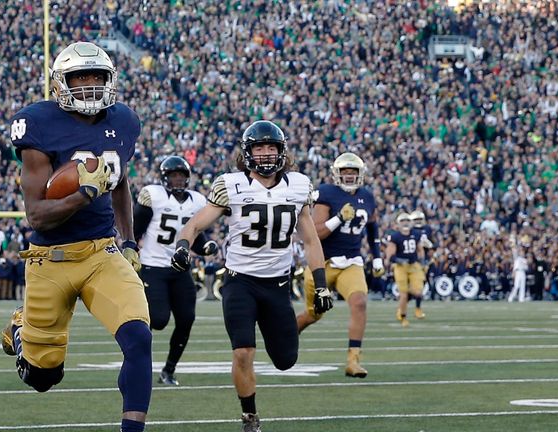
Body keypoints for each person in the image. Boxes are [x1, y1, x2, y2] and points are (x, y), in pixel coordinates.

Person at [3, 41, 152, 432]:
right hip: (48, 259)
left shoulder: (124, 120)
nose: (88, 85)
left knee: (138, 336)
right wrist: (83, 193)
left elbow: (119, 183)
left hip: (101, 252)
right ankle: (20, 328)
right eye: (79, 77)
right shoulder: (36, 123)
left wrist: (130, 240)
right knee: (43, 377)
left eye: (96, 77)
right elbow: (37, 214)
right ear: (60, 83)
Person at [169, 120, 332, 432]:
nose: (267, 153)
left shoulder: (298, 186)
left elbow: (311, 240)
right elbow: (194, 225)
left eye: (272, 147)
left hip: (277, 284)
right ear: (248, 153)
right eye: (260, 147)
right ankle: (250, 417)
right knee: (243, 352)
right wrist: (182, 248)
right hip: (240, 281)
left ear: (282, 151)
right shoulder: (231, 185)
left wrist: (321, 285)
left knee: (286, 359)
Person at [294, 152, 382, 379]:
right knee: (314, 315)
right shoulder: (326, 193)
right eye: (345, 171)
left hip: (351, 261)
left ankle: (353, 361)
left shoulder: (368, 197)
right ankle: (285, 338)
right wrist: (339, 218)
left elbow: (373, 230)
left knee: (360, 303)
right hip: (322, 263)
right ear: (337, 173)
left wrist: (378, 257)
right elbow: (316, 233)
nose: (350, 175)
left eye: (353, 171)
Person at [133, 155, 218, 386]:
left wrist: (206, 246)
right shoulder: (154, 196)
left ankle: (168, 370)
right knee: (158, 320)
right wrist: (129, 249)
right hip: (153, 266)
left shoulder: (198, 201)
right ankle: (135, 360)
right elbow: (135, 228)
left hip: (180, 268)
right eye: (174, 175)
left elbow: (196, 235)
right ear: (165, 178)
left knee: (187, 318)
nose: (178, 180)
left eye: (181, 176)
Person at [385, 212, 425, 328]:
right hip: (400, 267)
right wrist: (399, 260)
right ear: (398, 224)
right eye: (402, 221)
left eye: (407, 220)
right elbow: (390, 255)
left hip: (413, 265)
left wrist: (422, 260)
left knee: (418, 291)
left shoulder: (416, 234)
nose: (405, 223)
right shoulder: (395, 237)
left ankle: (417, 309)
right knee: (403, 294)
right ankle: (403, 316)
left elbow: (420, 249)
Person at [409, 210, 432, 317]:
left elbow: (434, 243)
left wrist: (430, 244)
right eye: (416, 219)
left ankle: (415, 306)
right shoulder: (409, 230)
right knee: (412, 286)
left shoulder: (427, 229)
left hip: (424, 260)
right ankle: (408, 302)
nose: (418, 222)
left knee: (422, 283)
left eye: (419, 219)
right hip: (412, 260)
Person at [508, 234, 528, 303]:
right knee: (516, 286)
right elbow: (514, 251)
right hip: (518, 272)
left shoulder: (525, 260)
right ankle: (511, 297)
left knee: (523, 286)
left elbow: (526, 267)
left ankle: (521, 298)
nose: (522, 253)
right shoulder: (517, 258)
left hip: (523, 272)